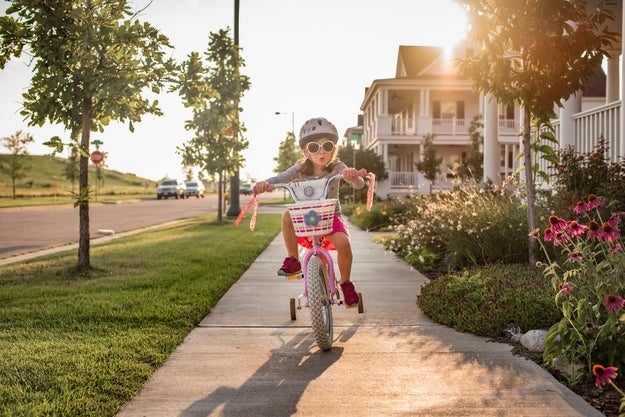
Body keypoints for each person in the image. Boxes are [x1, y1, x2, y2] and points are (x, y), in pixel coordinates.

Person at [253, 117, 365, 306]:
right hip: (306, 217)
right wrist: (265, 184)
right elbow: (280, 178)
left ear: (333, 149)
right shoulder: (299, 169)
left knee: (344, 245)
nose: (321, 151)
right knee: (287, 215)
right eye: (314, 147)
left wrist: (352, 176)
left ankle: (345, 283)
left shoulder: (338, 167)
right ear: (306, 151)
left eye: (327, 146)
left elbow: (359, 184)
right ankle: (293, 259)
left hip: (330, 217)